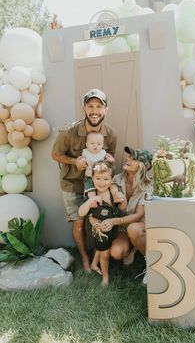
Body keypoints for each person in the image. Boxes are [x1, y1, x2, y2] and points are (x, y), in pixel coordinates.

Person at [51, 88, 117, 272]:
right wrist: (74, 161)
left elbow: (110, 154)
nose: (94, 111)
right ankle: (85, 259)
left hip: (98, 185)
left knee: (99, 219)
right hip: (72, 183)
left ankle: (101, 255)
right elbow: (55, 154)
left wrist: (110, 161)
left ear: (106, 110)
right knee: (79, 224)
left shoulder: (111, 134)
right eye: (90, 106)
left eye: (99, 106)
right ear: (84, 108)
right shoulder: (69, 132)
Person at [96, 146, 153, 284]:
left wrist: (115, 221)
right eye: (129, 156)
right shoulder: (117, 178)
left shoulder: (148, 186)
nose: (128, 159)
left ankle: (151, 264)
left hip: (139, 226)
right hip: (122, 228)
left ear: (141, 166)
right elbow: (111, 187)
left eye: (133, 159)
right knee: (116, 253)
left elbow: (139, 215)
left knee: (133, 229)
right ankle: (131, 249)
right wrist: (115, 193)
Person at [78, 160, 126, 287]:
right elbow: (81, 213)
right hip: (99, 233)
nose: (101, 182)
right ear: (92, 179)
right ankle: (105, 277)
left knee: (105, 248)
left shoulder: (112, 193)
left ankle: (94, 264)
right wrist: (90, 201)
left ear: (111, 180)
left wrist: (121, 199)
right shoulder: (91, 196)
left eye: (105, 179)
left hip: (113, 229)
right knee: (104, 253)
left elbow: (122, 208)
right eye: (98, 178)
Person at [82, 131, 124, 203]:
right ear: (87, 144)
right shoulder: (85, 152)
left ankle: (115, 195)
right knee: (90, 189)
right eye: (92, 143)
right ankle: (93, 201)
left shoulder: (103, 153)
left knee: (113, 184)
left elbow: (109, 162)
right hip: (90, 176)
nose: (95, 146)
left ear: (102, 145)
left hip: (104, 175)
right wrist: (82, 161)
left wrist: (112, 160)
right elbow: (81, 160)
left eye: (98, 144)